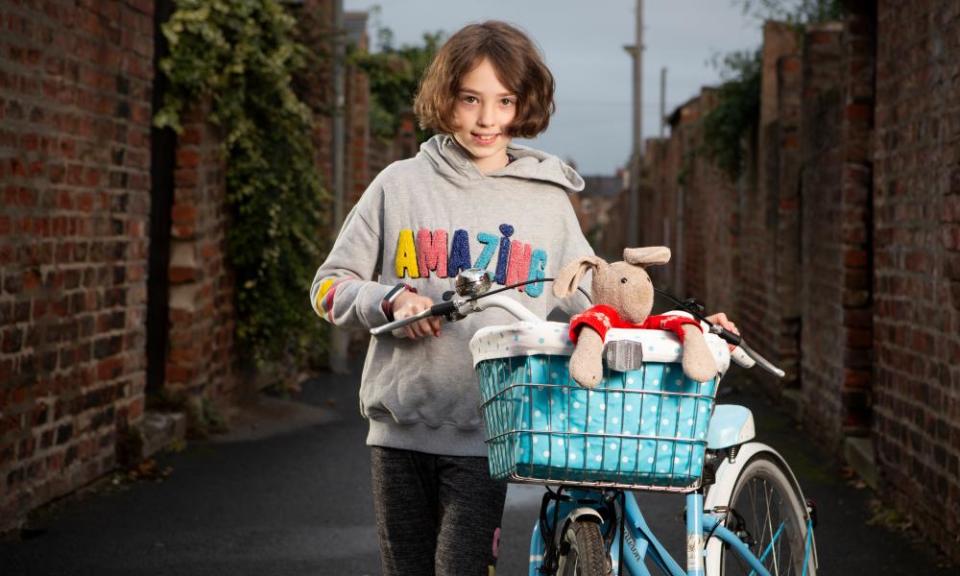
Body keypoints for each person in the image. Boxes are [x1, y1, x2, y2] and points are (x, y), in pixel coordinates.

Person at [310, 20, 736, 575]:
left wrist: (683, 322)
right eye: (470, 100)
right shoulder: (399, 185)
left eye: (504, 101)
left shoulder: (550, 204)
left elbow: (600, 298)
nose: (487, 120)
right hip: (399, 428)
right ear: (446, 97)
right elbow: (328, 286)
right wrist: (389, 301)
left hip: (490, 433)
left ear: (524, 103)